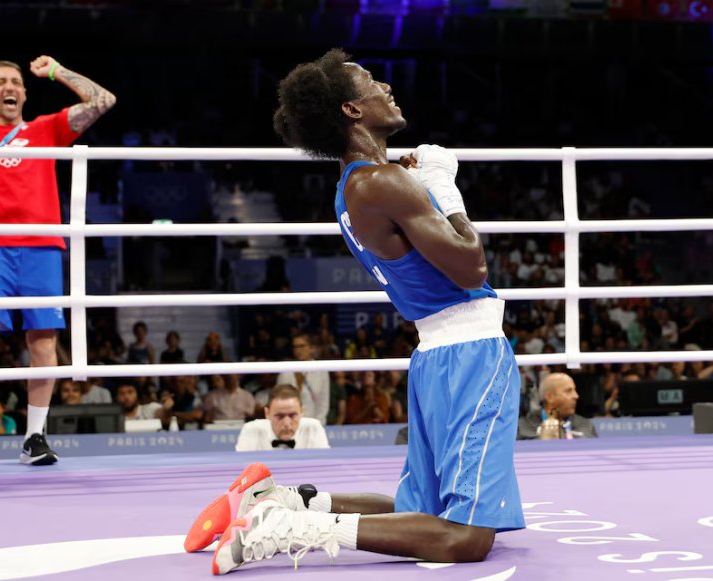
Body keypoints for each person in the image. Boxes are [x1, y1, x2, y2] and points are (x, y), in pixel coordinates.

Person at [194, 49, 524, 574]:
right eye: (371, 81)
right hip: (470, 355)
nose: (386, 86)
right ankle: (290, 529)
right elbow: (472, 268)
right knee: (467, 538)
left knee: (423, 513)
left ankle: (285, 503)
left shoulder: (353, 188)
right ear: (350, 110)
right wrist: (443, 185)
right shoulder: (384, 183)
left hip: (435, 355)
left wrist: (413, 178)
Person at [0, 55, 116, 474]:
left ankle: (34, 439)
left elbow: (103, 99)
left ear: (24, 92)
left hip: (43, 248)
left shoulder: (45, 129)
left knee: (43, 343)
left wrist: (57, 71)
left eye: (15, 81)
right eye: (0, 82)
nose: (9, 87)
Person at [234, 384, 329, 452]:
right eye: (279, 416)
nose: (287, 423)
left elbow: (325, 469)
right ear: (267, 413)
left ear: (302, 412)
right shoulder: (251, 430)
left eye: (293, 416)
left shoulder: (313, 428)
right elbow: (240, 472)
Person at [517, 372, 598, 440]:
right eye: (568, 391)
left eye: (574, 390)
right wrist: (541, 440)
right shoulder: (522, 427)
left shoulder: (587, 426)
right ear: (549, 397)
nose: (576, 396)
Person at [276, 333, 331, 425]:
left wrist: (318, 424)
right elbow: (280, 401)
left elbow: (324, 402)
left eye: (302, 346)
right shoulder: (286, 371)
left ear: (311, 348)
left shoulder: (321, 371)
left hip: (315, 423)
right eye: (295, 347)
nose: (298, 350)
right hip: (290, 424)